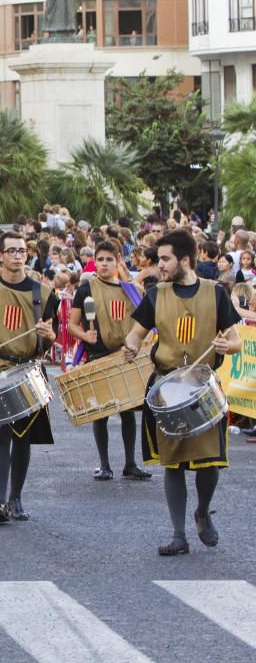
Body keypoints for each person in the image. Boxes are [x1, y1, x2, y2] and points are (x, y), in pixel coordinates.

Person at [122, 229, 241, 556]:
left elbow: (236, 341)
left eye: (165, 259)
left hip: (202, 389)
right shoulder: (155, 295)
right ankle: (178, 535)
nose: (159, 265)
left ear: (184, 260)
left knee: (209, 463)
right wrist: (131, 347)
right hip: (167, 388)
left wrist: (225, 345)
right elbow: (135, 335)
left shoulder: (215, 294)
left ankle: (202, 512)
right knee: (173, 464)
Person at [0, 231, 59, 523]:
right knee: (1, 435)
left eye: (21, 251)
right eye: (12, 251)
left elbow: (50, 338)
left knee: (24, 438)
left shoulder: (43, 293)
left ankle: (16, 498)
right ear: (0, 255)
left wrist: (50, 335)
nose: (18, 256)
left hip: (29, 370)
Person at [68, 241, 151, 481]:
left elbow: (144, 323)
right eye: (100, 259)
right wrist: (85, 335)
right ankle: (104, 464)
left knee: (127, 411)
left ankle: (130, 463)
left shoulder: (131, 290)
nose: (104, 264)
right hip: (98, 355)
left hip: (125, 355)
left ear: (118, 262)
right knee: (100, 411)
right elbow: (73, 324)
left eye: (109, 259)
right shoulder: (86, 289)